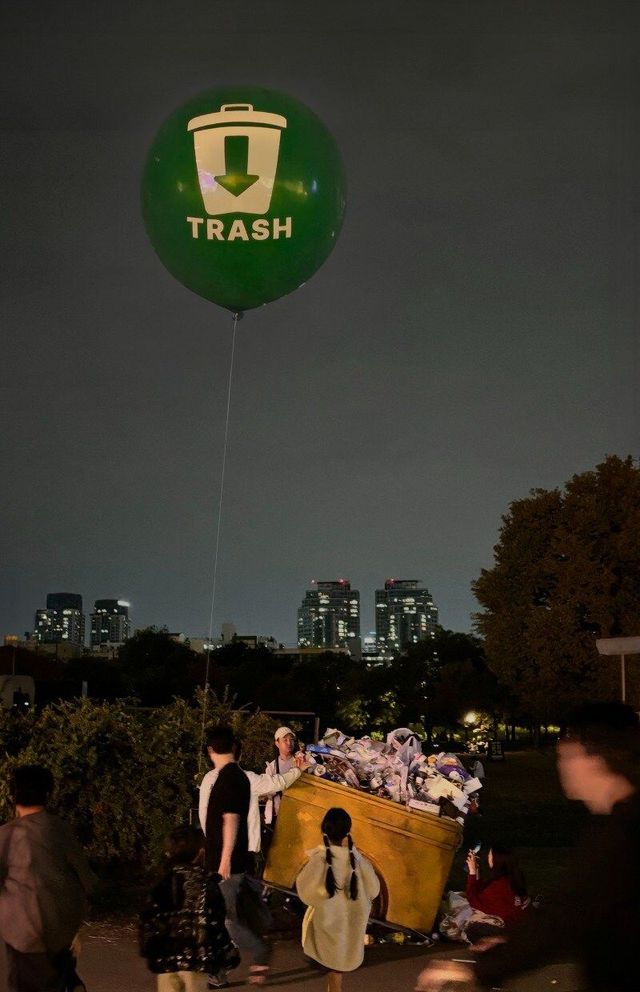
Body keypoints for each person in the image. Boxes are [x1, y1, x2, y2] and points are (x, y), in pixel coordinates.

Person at [417, 701, 640, 992]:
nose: (561, 765)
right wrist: (514, 941)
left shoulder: (617, 836)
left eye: (567, 755)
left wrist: (484, 968)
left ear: (595, 757)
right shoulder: (621, 824)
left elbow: (565, 917)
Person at [0, 765, 96, 992]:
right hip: (60, 927)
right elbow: (87, 878)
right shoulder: (60, 829)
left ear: (14, 795)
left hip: (21, 931)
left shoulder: (5, 835)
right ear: (48, 794)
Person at [204, 726, 270, 987]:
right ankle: (219, 970)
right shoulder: (235, 776)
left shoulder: (229, 778)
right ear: (233, 747)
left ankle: (256, 950)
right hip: (227, 860)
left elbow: (230, 820)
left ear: (210, 751)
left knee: (228, 918)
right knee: (223, 916)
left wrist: (224, 860)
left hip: (226, 863)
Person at [139, 824, 239, 991]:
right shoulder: (206, 885)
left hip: (166, 962)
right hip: (195, 962)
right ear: (200, 853)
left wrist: (150, 951)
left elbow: (148, 921)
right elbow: (215, 924)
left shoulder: (161, 885)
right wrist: (227, 953)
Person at [296, 807, 380, 992]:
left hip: (326, 928)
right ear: (348, 832)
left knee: (332, 972)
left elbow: (305, 892)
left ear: (323, 830)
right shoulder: (358, 860)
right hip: (350, 930)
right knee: (336, 973)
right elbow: (373, 890)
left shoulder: (320, 859)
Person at [199, 736, 308, 871]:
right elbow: (276, 783)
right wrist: (297, 770)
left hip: (213, 849)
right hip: (239, 851)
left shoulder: (208, 778)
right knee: (240, 888)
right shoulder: (244, 778)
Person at [440, 843, 529, 943]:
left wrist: (472, 872)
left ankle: (498, 940)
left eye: (490, 855)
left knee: (470, 926)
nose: (488, 857)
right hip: (512, 924)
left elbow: (473, 900)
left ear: (496, 859)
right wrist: (475, 870)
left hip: (503, 925)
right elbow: (479, 891)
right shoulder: (511, 877)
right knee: (460, 903)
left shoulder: (499, 884)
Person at [263, 727, 297, 828]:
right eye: (285, 740)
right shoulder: (271, 767)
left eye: (291, 740)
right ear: (277, 743)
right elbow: (267, 792)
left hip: (299, 812)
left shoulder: (300, 762)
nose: (289, 743)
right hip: (279, 815)